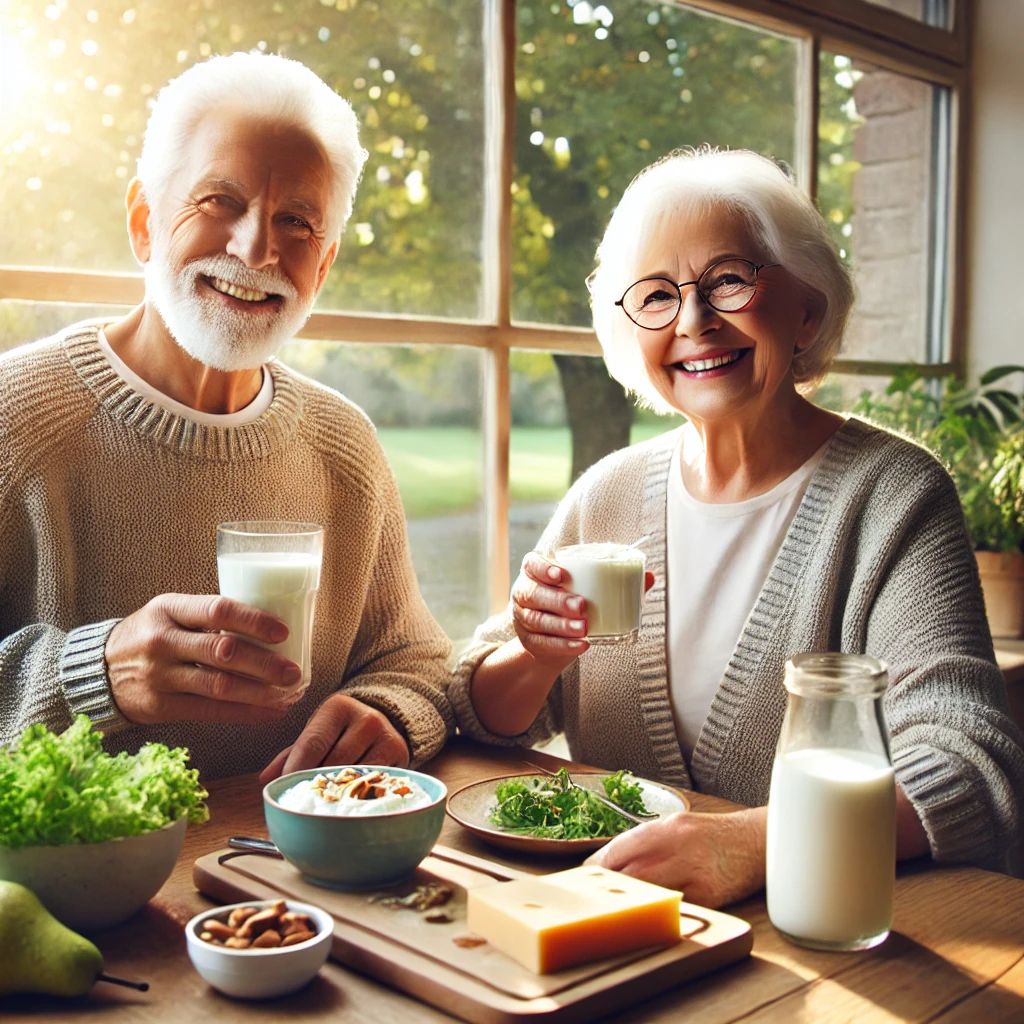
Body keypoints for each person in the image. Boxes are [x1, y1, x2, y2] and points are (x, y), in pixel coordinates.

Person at [449, 148, 1024, 906]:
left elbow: (971, 764)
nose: (694, 321)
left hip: (827, 933)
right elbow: (481, 715)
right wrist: (534, 655)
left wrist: (757, 844)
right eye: (657, 295)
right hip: (621, 928)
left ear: (807, 310)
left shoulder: (895, 495)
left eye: (728, 279)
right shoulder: (607, 495)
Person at [0, 52, 454, 780]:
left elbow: (415, 659)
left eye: (297, 221)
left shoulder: (346, 446)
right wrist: (92, 678)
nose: (257, 250)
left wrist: (391, 709)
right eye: (220, 203)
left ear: (325, 264)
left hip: (283, 878)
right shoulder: (11, 418)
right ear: (145, 223)